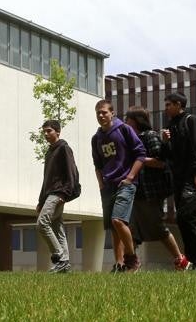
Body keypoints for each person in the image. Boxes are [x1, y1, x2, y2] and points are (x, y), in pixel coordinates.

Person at [123, 107, 188, 270]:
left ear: (136, 120)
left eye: (128, 119)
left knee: (158, 228)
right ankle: (131, 264)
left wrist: (140, 159)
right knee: (132, 230)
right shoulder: (131, 138)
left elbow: (162, 162)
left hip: (151, 192)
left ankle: (180, 260)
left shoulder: (149, 136)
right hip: (136, 191)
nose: (125, 122)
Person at [91, 100, 146, 272]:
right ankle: (119, 263)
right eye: (98, 113)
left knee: (118, 220)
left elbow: (141, 154)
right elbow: (98, 164)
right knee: (113, 227)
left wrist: (130, 177)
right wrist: (101, 184)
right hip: (108, 185)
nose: (101, 115)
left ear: (112, 113)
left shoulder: (124, 129)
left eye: (104, 112)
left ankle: (132, 258)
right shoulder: (96, 138)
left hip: (125, 183)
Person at [161, 92, 196, 270]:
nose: (165, 108)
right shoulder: (170, 125)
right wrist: (165, 142)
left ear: (178, 104)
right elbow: (168, 156)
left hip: (193, 176)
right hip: (179, 177)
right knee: (187, 218)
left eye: (168, 105)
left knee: (184, 216)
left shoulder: (192, 120)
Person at [36, 120, 81, 274]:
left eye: (49, 131)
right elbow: (46, 179)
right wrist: (40, 201)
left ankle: (59, 256)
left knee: (42, 223)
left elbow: (72, 172)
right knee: (56, 226)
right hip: (49, 193)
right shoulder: (49, 152)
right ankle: (65, 264)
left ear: (58, 132)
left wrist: (65, 193)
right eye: (44, 131)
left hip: (59, 192)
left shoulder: (64, 148)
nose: (46, 134)